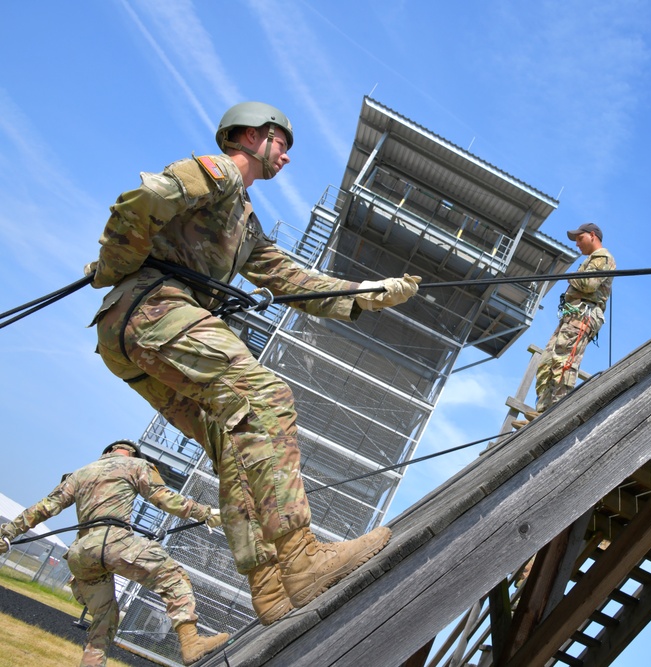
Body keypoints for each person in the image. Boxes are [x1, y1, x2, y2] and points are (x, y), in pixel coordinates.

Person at [86, 102, 421, 624]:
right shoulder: (219, 174)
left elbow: (290, 280)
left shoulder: (245, 225)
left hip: (130, 335)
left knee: (233, 445)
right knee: (264, 397)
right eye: (280, 142)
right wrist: (116, 261)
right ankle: (303, 556)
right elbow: (147, 198)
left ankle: (268, 582)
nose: (286, 155)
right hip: (156, 309)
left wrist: (368, 293)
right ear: (248, 136)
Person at [0, 440, 228, 666]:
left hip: (81, 554)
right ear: (132, 454)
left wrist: (7, 534)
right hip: (114, 542)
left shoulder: (80, 474)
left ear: (107, 452)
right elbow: (163, 498)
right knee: (173, 577)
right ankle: (190, 642)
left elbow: (43, 508)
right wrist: (205, 513)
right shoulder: (136, 466)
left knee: (104, 618)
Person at [514, 222, 615, 428]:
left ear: (592, 235)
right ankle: (542, 412)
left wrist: (570, 278)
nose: (577, 244)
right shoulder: (590, 260)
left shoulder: (603, 258)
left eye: (580, 238)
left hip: (583, 315)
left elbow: (589, 284)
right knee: (547, 362)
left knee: (564, 360)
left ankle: (556, 412)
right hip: (571, 316)